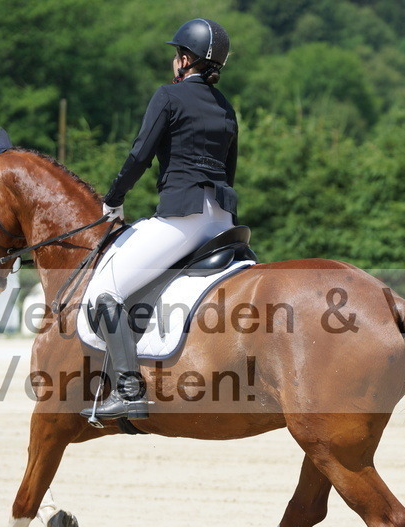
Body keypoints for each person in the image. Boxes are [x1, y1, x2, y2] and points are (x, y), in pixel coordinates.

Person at [81, 18, 238, 423]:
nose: (174, 60)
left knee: (106, 291)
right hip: (221, 220)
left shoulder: (168, 97)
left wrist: (113, 200)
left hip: (182, 216)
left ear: (185, 59)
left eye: (176, 54)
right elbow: (229, 170)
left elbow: (139, 156)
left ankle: (129, 390)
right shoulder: (226, 108)